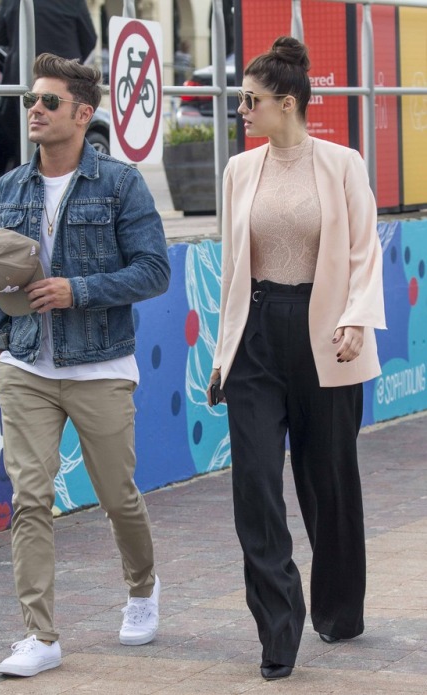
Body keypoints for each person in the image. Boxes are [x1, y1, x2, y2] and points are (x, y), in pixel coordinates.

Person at [0, 52, 170, 678]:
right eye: (32, 99)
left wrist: (77, 289)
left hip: (101, 364)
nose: (35, 108)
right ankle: (40, 635)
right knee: (30, 498)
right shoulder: (8, 190)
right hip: (26, 366)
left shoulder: (120, 183)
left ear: (83, 114)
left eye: (50, 101)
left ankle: (142, 589)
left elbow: (155, 269)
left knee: (117, 496)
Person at [207, 36, 386, 681]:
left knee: (328, 482)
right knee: (254, 485)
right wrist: (224, 352)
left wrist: (356, 319)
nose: (243, 111)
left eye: (251, 100)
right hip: (255, 334)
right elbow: (232, 270)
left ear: (287, 103)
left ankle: (338, 610)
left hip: (323, 336)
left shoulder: (342, 164)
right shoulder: (238, 171)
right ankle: (278, 628)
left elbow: (365, 250)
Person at [0, 0, 97, 163]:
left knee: (23, 140)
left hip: (21, 79)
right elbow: (89, 39)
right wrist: (67, 66)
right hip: (65, 82)